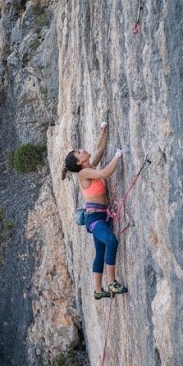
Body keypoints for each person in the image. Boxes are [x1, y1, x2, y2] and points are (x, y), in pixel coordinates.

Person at [62, 122, 127, 300]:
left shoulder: (88, 167)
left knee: (100, 252)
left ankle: (98, 290)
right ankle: (112, 282)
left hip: (101, 216)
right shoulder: (83, 174)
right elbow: (105, 174)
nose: (83, 150)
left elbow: (99, 148)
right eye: (79, 152)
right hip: (94, 218)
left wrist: (103, 130)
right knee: (111, 241)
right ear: (79, 162)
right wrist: (117, 156)